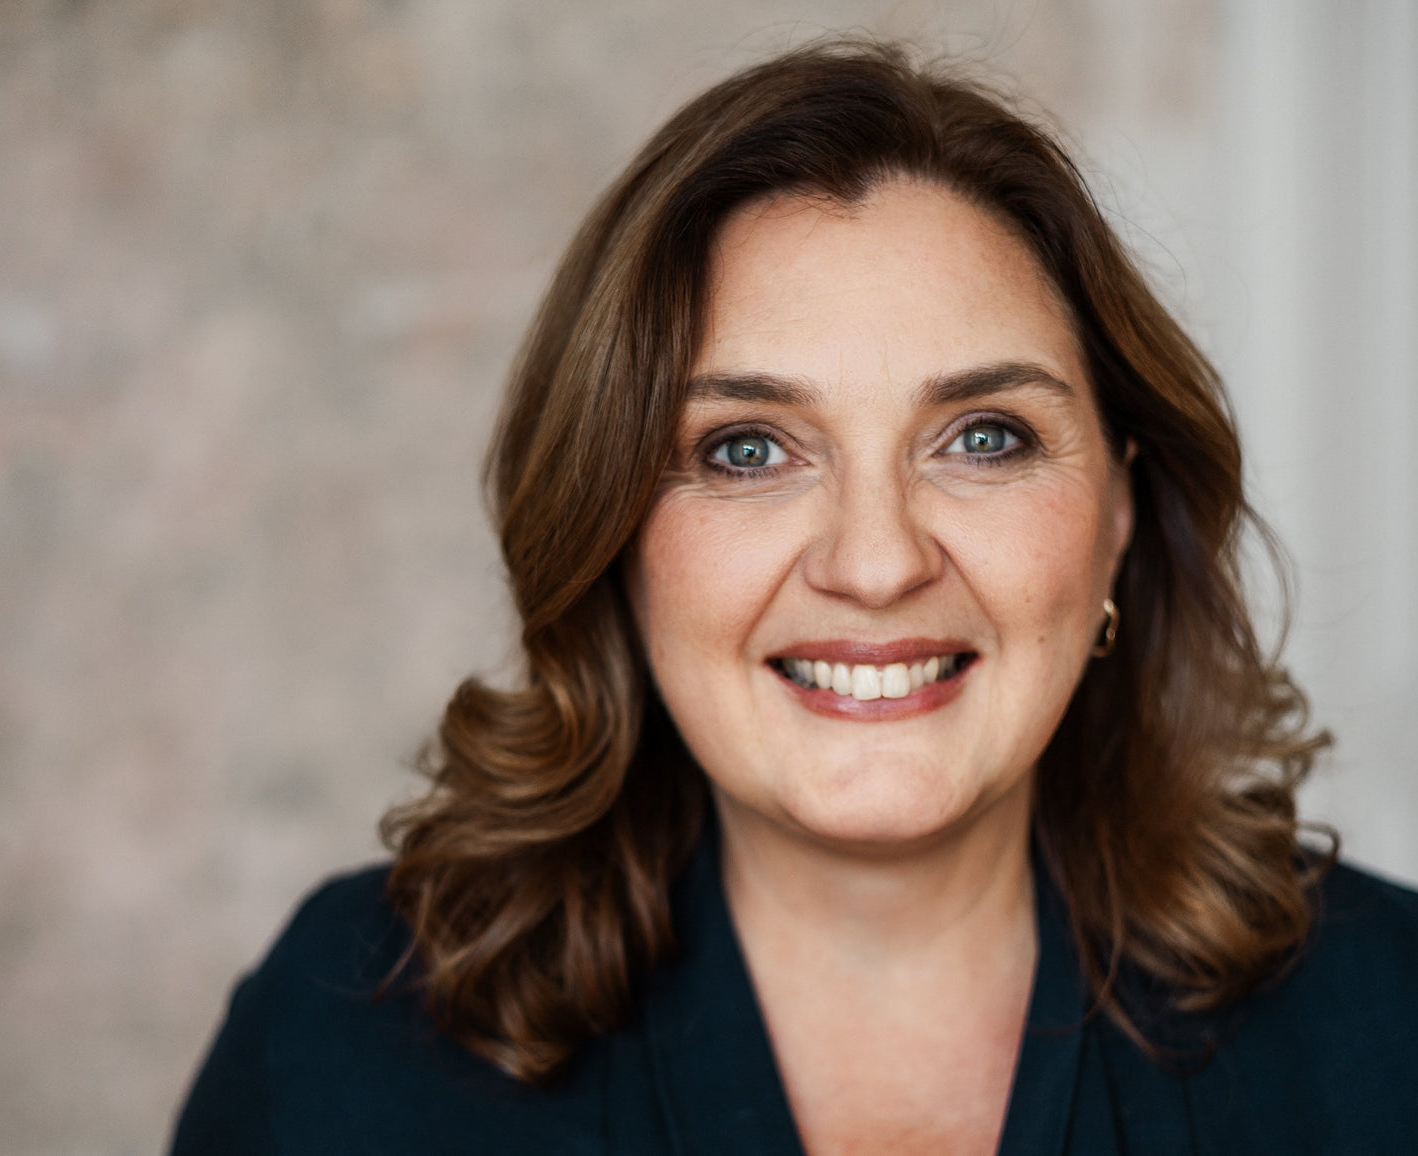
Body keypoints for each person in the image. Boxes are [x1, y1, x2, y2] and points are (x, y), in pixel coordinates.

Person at [170, 40, 1418, 1156]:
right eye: (747, 450)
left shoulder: (1386, 1032)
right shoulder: (343, 1047)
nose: (874, 564)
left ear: (1117, 520)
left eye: (981, 438)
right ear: (611, 531)